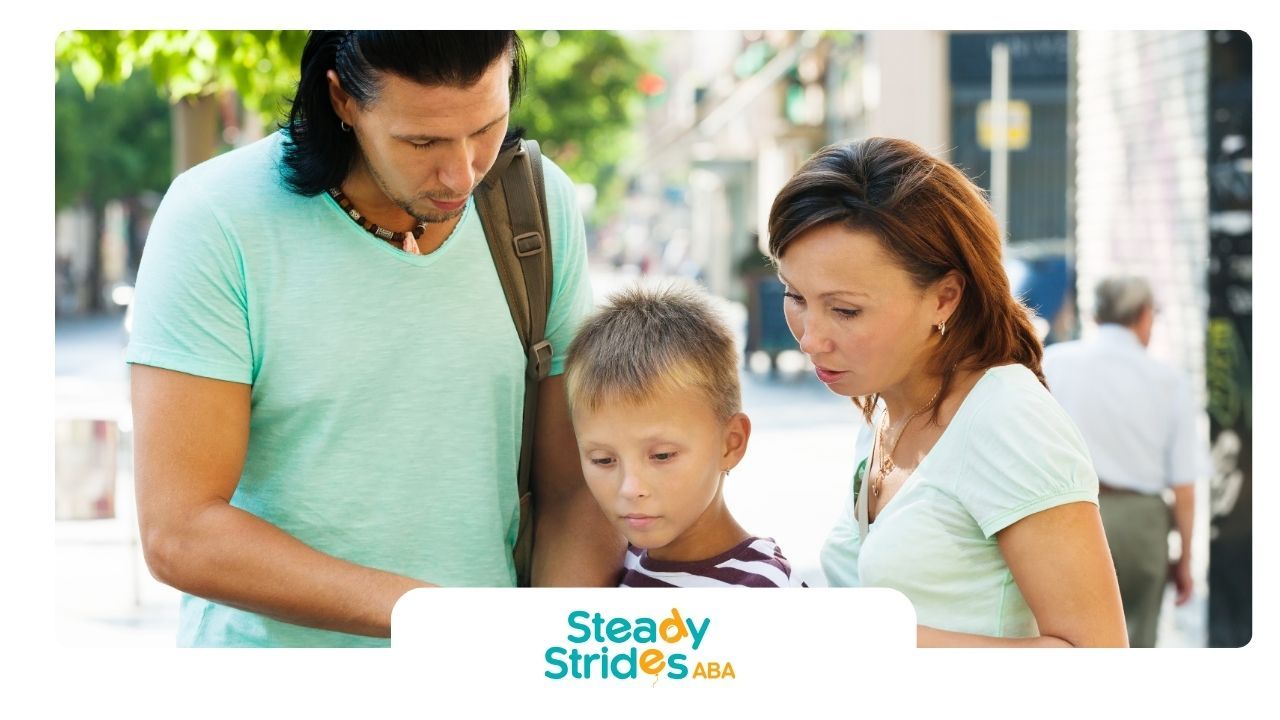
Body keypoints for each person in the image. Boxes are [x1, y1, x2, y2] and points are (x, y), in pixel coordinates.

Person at [126, 31, 624, 647]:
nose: (462, 172)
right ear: (342, 101)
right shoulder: (217, 217)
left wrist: (540, 652)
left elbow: (575, 485)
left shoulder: (537, 205)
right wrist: (439, 621)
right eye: (422, 141)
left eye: (486, 127)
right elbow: (182, 531)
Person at [768, 137, 1128, 647]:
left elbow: (1099, 657)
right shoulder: (887, 404)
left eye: (845, 310)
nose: (809, 338)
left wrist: (862, 638)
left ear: (944, 297)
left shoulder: (1005, 418)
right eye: (794, 295)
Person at [563, 283, 806, 588]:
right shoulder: (610, 562)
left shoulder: (762, 590)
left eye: (662, 455)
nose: (630, 488)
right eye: (603, 460)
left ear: (731, 443)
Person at [1043, 276, 1200, 647]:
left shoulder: (1054, 363)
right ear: (1144, 316)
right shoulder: (1169, 380)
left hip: (1066, 513)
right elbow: (1184, 485)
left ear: (1096, 314)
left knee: (1068, 640)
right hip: (1143, 524)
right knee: (1138, 641)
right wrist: (1185, 559)